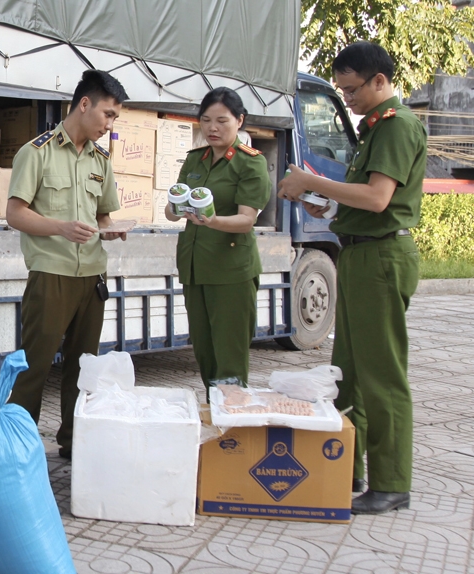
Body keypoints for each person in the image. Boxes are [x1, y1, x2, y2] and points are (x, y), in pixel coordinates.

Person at [278, 41, 426, 515]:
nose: (349, 99)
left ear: (379, 80)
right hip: (360, 254)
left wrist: (312, 181)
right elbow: (357, 202)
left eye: (352, 89)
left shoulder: (398, 127)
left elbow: (379, 198)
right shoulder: (376, 129)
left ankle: (391, 482)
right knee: (348, 373)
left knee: (382, 376)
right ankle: (350, 466)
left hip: (383, 258)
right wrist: (317, 202)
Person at [5, 70, 129, 460]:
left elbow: (103, 216)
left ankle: (74, 444)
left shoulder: (101, 160)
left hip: (91, 277)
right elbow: (14, 214)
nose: (110, 125)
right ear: (84, 104)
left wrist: (109, 231)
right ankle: (19, 446)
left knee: (84, 368)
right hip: (51, 276)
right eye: (107, 115)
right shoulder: (36, 152)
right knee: (34, 366)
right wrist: (60, 227)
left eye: (115, 119)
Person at [166, 87, 271, 393]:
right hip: (196, 268)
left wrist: (211, 221)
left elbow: (246, 220)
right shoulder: (195, 160)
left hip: (231, 270)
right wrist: (174, 209)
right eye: (206, 120)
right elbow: (175, 207)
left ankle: (233, 429)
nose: (212, 128)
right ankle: (216, 412)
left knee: (229, 355)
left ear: (240, 121)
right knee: (204, 349)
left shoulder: (250, 162)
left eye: (222, 121)